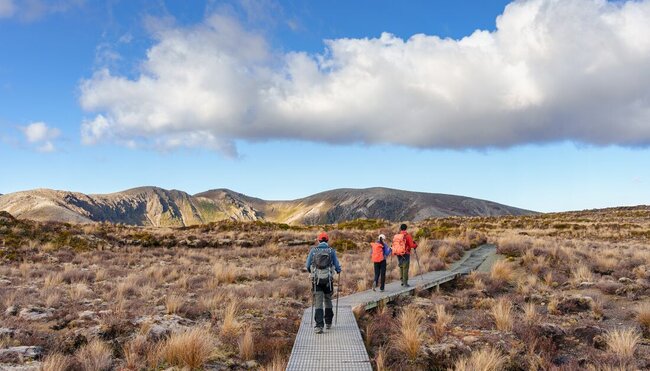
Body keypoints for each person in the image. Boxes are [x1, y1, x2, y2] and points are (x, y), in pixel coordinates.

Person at [306, 232, 342, 334]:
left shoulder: (313, 251)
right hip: (328, 281)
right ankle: (329, 322)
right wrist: (338, 270)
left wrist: (312, 272)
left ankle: (319, 326)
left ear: (319, 240)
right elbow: (337, 266)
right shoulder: (331, 251)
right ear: (327, 240)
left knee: (318, 302)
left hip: (316, 280)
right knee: (328, 300)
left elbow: (307, 265)